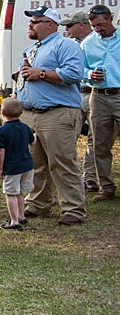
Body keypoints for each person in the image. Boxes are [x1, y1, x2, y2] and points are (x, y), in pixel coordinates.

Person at [17, 6, 87, 225]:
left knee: (62, 161)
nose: (31, 24)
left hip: (57, 113)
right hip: (31, 113)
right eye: (31, 21)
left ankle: (73, 208)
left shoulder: (65, 45)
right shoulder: (31, 49)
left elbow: (75, 74)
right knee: (36, 162)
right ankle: (38, 203)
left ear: (51, 24)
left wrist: (43, 74)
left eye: (36, 21)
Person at [83, 5, 119, 202]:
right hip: (98, 95)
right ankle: (106, 186)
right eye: (93, 26)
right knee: (99, 143)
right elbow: (79, 68)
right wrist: (89, 74)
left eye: (101, 25)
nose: (98, 29)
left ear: (111, 19)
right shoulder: (88, 44)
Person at [62, 11, 98, 194]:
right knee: (69, 137)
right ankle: (69, 179)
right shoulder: (70, 45)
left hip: (95, 93)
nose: (66, 29)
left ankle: (90, 177)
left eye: (70, 25)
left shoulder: (96, 42)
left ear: (82, 25)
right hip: (76, 93)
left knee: (95, 139)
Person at [0, 98, 36, 230]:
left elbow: (1, 150)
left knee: (10, 193)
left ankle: (14, 221)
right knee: (19, 192)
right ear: (21, 112)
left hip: (12, 167)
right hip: (27, 165)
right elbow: (33, 142)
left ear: (2, 113)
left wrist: (1, 168)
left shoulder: (1, 131)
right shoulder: (26, 128)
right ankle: (21, 215)